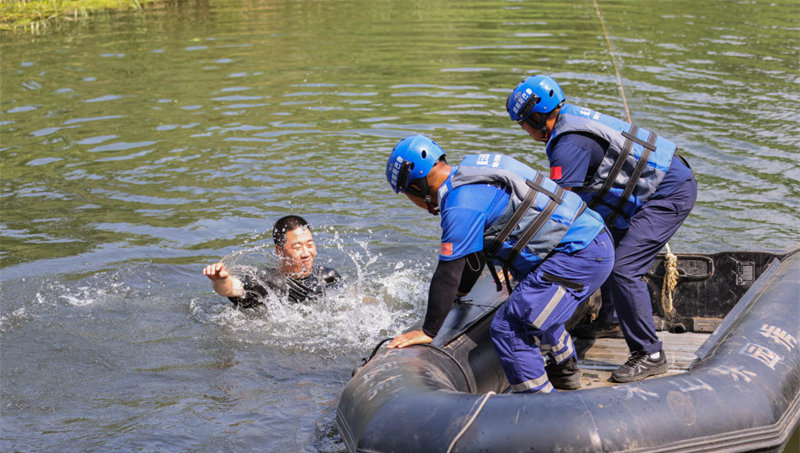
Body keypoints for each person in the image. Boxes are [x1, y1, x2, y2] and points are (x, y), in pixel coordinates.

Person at [384, 134, 614, 393]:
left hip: (580, 253)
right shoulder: (473, 171)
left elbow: (448, 272)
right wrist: (462, 292)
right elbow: (476, 251)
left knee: (510, 326)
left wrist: (429, 330)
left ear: (416, 187)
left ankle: (539, 407)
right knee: (534, 303)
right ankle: (564, 372)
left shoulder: (460, 205)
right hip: (589, 239)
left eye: (407, 195)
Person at [506, 74, 697, 383]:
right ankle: (608, 318)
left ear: (538, 117)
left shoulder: (567, 145)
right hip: (653, 189)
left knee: (623, 268)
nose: (524, 130)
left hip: (668, 191)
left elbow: (558, 214)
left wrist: (519, 258)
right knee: (603, 241)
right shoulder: (568, 124)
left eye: (523, 123)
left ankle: (650, 353)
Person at [203, 215, 340, 308]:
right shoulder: (264, 281)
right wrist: (221, 280)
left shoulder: (327, 276)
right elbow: (233, 289)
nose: (306, 253)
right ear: (279, 251)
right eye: (297, 247)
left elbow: (347, 300)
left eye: (310, 245)